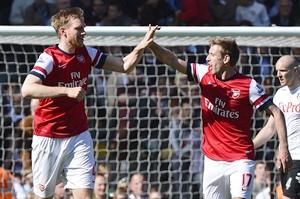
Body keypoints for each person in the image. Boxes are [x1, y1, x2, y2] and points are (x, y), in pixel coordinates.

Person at [21, 7, 158, 199]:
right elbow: (27, 89)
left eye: (84, 27)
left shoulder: (87, 53)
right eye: (79, 28)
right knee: (43, 197)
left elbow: (124, 65)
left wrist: (142, 45)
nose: (84, 32)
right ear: (63, 31)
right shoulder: (49, 57)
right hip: (48, 136)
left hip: (79, 136)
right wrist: (66, 91)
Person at [148, 32, 292, 199]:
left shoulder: (248, 86)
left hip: (240, 160)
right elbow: (172, 60)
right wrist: (152, 45)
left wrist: (283, 146)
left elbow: (276, 111)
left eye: (212, 54)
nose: (207, 59)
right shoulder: (204, 74)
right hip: (212, 160)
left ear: (226, 59)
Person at [253, 55, 300, 199]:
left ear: (296, 71)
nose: (278, 74)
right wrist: (249, 146)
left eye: (283, 70)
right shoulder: (280, 94)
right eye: (276, 71)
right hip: (286, 159)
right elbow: (270, 128)